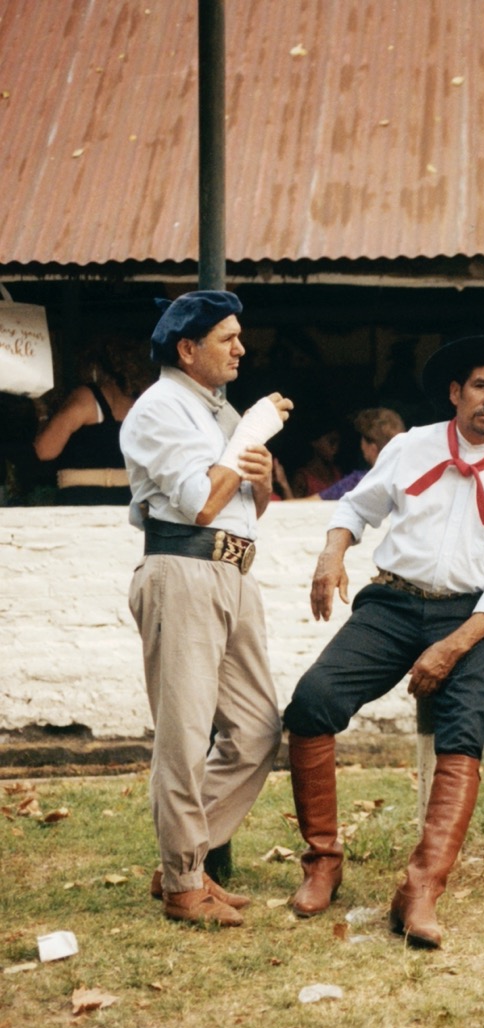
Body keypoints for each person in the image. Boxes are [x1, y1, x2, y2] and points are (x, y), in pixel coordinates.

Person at [281, 335, 484, 949]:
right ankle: (323, 859)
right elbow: (356, 506)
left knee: (463, 733)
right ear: (456, 392)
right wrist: (331, 554)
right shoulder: (409, 446)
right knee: (312, 700)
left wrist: (451, 647)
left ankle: (421, 889)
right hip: (394, 602)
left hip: (474, 617)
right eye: (481, 386)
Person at [119, 290, 294, 926]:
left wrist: (263, 474)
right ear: (187, 349)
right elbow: (199, 503)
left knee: (256, 731)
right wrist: (248, 434)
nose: (241, 348)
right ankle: (184, 883)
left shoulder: (216, 413)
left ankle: (180, 860)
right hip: (184, 568)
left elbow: (252, 507)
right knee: (186, 735)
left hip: (235, 572)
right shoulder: (159, 408)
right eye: (227, 338)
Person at [33, 337, 154, 504]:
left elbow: (45, 450)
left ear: (95, 366)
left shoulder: (86, 399)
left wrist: (43, 415)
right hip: (131, 502)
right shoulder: (146, 402)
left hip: (83, 502)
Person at [311, 407, 405, 500]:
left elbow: (307, 505)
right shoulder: (410, 479)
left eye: (362, 440)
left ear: (372, 449)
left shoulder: (358, 483)